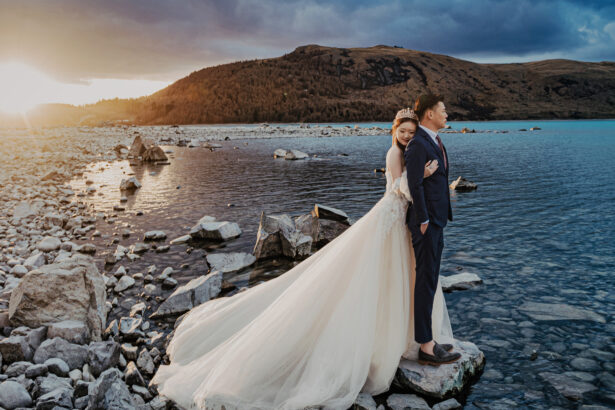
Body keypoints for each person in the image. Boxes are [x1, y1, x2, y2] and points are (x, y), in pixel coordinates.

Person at [150, 108, 454, 410]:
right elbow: (400, 187)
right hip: (390, 216)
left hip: (402, 221)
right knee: (373, 274)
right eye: (403, 131)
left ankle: (401, 335)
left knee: (397, 276)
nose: (407, 136)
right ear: (394, 130)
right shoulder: (393, 154)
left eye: (412, 132)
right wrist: (425, 174)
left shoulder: (409, 151)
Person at [405, 95, 461, 365]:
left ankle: (429, 338)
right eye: (443, 110)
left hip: (437, 221)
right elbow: (414, 184)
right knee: (425, 281)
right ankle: (425, 346)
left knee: (431, 279)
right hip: (426, 223)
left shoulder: (434, 140)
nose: (446, 114)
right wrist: (424, 219)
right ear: (429, 114)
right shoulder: (418, 144)